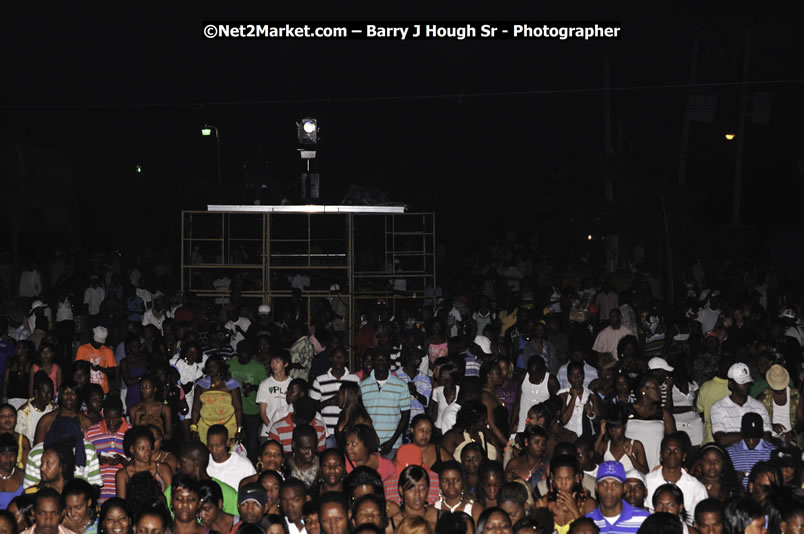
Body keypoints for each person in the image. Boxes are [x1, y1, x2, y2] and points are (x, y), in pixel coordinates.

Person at [23, 418, 103, 489]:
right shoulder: (36, 453)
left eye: (71, 443)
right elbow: (30, 490)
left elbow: (95, 485)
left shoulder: (87, 449)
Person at [164, 440, 239, 516]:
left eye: (182, 462)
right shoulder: (175, 490)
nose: (178, 466)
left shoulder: (227, 493)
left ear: (196, 464)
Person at [645, 433, 707, 524]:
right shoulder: (646, 482)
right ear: (661, 455)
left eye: (677, 450)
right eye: (667, 450)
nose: (672, 454)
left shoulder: (697, 488)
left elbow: (701, 521)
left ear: (684, 456)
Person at [360, 350, 411, 457]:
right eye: (378, 359)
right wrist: (372, 439)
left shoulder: (401, 386)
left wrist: (391, 442)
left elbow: (405, 417)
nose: (381, 362)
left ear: (389, 362)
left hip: (393, 445)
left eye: (383, 359)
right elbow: (362, 417)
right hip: (369, 444)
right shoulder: (363, 386)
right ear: (373, 362)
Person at [710, 363, 771, 447]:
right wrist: (752, 433)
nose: (746, 385)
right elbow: (722, 440)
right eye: (742, 382)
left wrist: (735, 435)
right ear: (731, 384)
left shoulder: (758, 406)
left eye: (747, 381)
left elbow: (767, 438)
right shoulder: (718, 407)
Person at [85, 396, 130, 503]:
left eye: (115, 418)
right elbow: (83, 462)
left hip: (125, 494)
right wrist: (97, 460)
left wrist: (122, 461)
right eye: (108, 418)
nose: (111, 423)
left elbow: (139, 465)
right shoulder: (91, 433)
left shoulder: (131, 432)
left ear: (122, 413)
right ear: (103, 413)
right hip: (99, 495)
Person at [536, 454, 596, 534]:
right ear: (552, 479)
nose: (563, 483)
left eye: (568, 478)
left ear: (576, 478)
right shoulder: (543, 504)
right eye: (559, 478)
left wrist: (575, 510)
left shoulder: (588, 504)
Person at [626, 375, 675, 471]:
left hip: (656, 464)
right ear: (643, 390)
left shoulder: (663, 413)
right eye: (655, 387)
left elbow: (673, 441)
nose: (660, 390)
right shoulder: (627, 410)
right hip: (630, 461)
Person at [228, 341, 268, 462]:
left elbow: (266, 387)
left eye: (248, 353)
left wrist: (254, 387)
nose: (245, 355)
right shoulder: (229, 364)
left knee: (251, 442)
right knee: (233, 440)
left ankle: (251, 465)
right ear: (237, 353)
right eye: (242, 353)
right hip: (232, 410)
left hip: (252, 410)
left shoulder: (259, 367)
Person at [585, 461, 650, 534]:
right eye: (604, 484)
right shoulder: (587, 523)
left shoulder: (645, 521)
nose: (609, 490)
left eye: (616, 485)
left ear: (624, 488)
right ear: (596, 487)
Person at [191, 355, 243, 445]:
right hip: (205, 426)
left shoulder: (231, 385)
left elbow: (238, 408)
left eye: (214, 366)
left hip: (228, 425)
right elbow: (196, 408)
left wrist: (239, 430)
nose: (211, 369)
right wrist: (194, 427)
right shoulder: (201, 385)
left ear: (221, 367)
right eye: (209, 366)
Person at [115, 426, 172, 497]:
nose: (147, 452)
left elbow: (170, 499)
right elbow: (121, 504)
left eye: (149, 447)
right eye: (142, 449)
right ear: (132, 449)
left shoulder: (162, 469)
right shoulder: (123, 475)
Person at [594, 407, 650, 475]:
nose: (614, 431)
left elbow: (646, 473)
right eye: (611, 427)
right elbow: (593, 456)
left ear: (624, 426)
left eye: (617, 427)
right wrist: (601, 434)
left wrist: (631, 456)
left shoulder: (636, 445)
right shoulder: (605, 446)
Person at [726, 413, 776, 487]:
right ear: (742, 433)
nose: (751, 441)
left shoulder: (773, 451)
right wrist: (732, 478)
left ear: (761, 433)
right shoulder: (730, 452)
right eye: (748, 436)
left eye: (755, 436)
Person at [758, 364, 802, 445]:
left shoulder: (796, 396)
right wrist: (771, 426)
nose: (780, 390)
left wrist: (792, 433)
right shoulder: (763, 398)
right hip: (770, 439)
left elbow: (802, 420)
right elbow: (757, 421)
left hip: (792, 439)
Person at [514, 356, 559, 433]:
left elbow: (556, 407)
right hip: (522, 426)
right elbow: (517, 402)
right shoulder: (523, 376)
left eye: (536, 375)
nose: (532, 377)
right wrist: (514, 423)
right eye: (531, 374)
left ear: (544, 371)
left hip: (541, 428)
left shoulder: (551, 381)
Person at [206, 424, 256, 491]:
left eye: (218, 445)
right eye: (210, 445)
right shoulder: (204, 463)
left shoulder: (243, 464)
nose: (214, 450)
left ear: (227, 443)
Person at [256, 351, 292, 442]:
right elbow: (263, 413)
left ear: (286, 364)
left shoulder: (293, 384)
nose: (273, 365)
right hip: (268, 432)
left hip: (288, 432)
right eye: (272, 362)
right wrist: (274, 429)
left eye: (277, 362)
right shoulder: (264, 384)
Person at [388, 466, 437, 531]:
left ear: (428, 489)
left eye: (422, 488)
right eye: (411, 489)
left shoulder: (440, 519)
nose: (417, 494)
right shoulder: (391, 527)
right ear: (401, 491)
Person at [558, 362, 599, 440]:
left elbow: (597, 421)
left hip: (588, 437)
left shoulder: (591, 394)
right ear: (568, 377)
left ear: (583, 376)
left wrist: (590, 414)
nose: (576, 378)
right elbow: (563, 420)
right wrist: (573, 398)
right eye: (573, 375)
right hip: (569, 437)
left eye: (579, 375)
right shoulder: (563, 394)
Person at [75, 327, 118, 395]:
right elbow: (76, 369)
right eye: (97, 341)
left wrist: (100, 368)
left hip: (103, 390)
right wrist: (87, 365)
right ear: (92, 336)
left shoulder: (108, 351)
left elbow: (113, 372)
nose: (98, 344)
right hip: (85, 388)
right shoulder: (82, 349)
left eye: (101, 342)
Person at [15, 372, 56, 444]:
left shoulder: (54, 408)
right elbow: (21, 442)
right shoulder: (23, 413)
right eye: (46, 393)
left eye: (51, 393)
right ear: (36, 393)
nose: (49, 396)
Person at [505, 425, 548, 490]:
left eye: (543, 443)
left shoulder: (547, 466)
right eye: (537, 442)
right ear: (526, 441)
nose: (540, 446)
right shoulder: (514, 464)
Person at [129, 375, 172, 439]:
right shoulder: (135, 409)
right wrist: (138, 415)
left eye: (147, 387)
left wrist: (154, 438)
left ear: (154, 389)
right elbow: (134, 436)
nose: (143, 390)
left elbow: (169, 435)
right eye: (141, 387)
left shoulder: (164, 409)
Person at [334, 382, 371, 448]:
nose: (337, 396)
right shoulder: (343, 414)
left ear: (348, 396)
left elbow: (371, 442)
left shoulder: (361, 419)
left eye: (339, 394)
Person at [284, 424, 321, 489]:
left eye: (313, 448)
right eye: (305, 449)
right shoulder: (285, 466)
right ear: (294, 445)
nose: (310, 453)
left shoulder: (323, 465)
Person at [429, 360, 461, 433]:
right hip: (439, 429)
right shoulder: (436, 391)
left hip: (454, 429)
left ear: (449, 377)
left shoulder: (460, 391)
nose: (438, 377)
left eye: (441, 375)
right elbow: (431, 412)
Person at [3, 341, 33, 410]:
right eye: (16, 347)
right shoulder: (11, 363)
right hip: (12, 398)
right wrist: (5, 398)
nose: (16, 349)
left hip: (26, 398)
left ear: (25, 349)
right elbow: (6, 382)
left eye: (19, 347)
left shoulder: (30, 364)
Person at [0, 404, 31, 470]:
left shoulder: (23, 441)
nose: (7, 418)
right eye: (3, 416)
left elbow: (27, 469)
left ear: (16, 418)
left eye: (11, 415)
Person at [0, 432, 24, 510]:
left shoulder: (23, 476)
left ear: (17, 456)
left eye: (12, 454)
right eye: (3, 454)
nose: (8, 458)